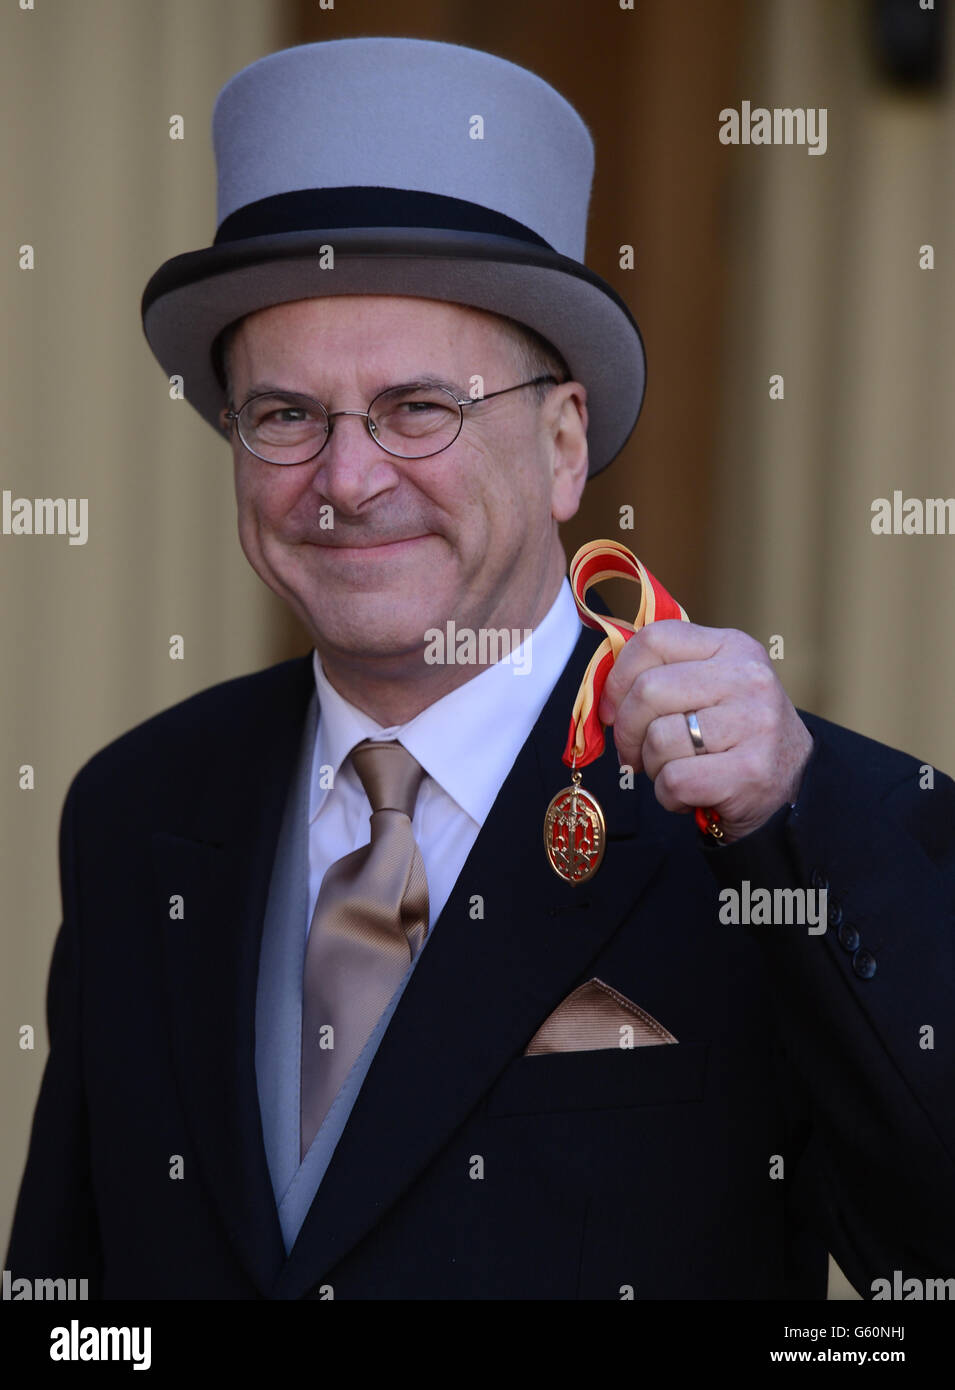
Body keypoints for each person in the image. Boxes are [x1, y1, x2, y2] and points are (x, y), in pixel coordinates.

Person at [6, 36, 955, 1301]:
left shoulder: (780, 817)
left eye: (418, 408)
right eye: (285, 414)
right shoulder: (138, 809)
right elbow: (71, 1304)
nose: (345, 480)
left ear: (563, 445)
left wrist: (796, 828)